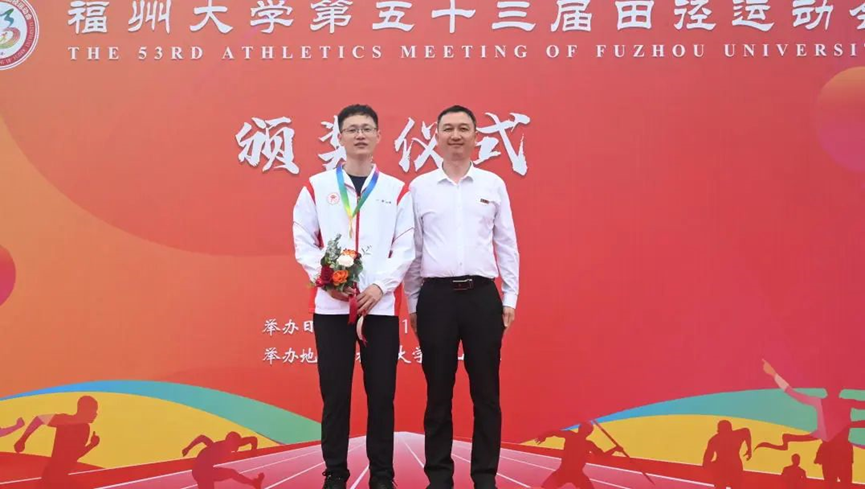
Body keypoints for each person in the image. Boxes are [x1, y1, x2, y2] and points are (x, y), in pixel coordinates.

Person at [293, 104, 415, 489]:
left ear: (379, 136)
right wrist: (326, 280)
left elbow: (406, 247)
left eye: (366, 128)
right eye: (352, 129)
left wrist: (380, 287)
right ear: (340, 137)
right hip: (331, 309)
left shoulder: (396, 190)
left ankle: (382, 475)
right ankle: (335, 473)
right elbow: (303, 241)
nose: (360, 135)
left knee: (381, 395)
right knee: (335, 395)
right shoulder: (317, 187)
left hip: (379, 309)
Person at [405, 105, 520, 489]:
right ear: (436, 136)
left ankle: (485, 476)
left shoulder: (492, 184)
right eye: (448, 128)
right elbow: (413, 251)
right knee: (438, 393)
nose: (456, 135)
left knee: (486, 393)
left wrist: (510, 297)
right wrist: (413, 302)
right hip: (436, 299)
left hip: (482, 297)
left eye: (463, 128)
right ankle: (439, 477)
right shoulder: (420, 188)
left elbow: (507, 243)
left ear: (475, 136)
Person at [14, 395, 101, 489]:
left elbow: (76, 454)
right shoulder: (72, 423)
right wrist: (22, 440)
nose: (96, 414)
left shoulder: (80, 426)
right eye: (94, 410)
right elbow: (39, 419)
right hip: (55, 476)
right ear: (85, 410)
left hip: (57, 475)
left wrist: (92, 445)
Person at [534, 423, 625, 489]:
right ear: (589, 432)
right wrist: (614, 449)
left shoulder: (576, 438)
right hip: (567, 472)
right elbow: (602, 456)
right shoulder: (584, 442)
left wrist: (614, 449)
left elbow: (554, 432)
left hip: (571, 473)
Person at [181, 431, 264, 489]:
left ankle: (254, 483)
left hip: (208, 469)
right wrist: (188, 448)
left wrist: (253, 451)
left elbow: (253, 439)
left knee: (232, 473)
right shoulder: (216, 448)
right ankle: (254, 483)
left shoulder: (233, 443)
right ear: (229, 442)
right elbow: (202, 437)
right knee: (229, 473)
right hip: (200, 471)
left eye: (238, 445)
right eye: (235, 446)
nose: (236, 448)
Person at [702, 420, 752, 489]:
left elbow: (708, 455)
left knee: (722, 486)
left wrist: (706, 464)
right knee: (735, 486)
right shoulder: (737, 435)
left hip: (721, 466)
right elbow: (746, 431)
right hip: (735, 465)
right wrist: (749, 448)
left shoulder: (715, 439)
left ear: (719, 429)